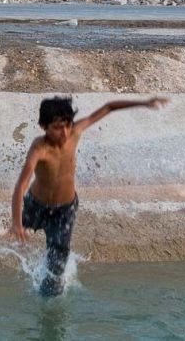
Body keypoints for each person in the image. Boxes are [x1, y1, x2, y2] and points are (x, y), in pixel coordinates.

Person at [9, 95, 169, 297]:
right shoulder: (39, 148)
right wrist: (16, 222)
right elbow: (21, 184)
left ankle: (47, 300)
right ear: (44, 126)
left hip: (64, 210)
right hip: (37, 205)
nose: (64, 132)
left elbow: (108, 107)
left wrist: (144, 103)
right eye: (57, 128)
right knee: (13, 234)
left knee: (57, 264)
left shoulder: (75, 132)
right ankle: (15, 230)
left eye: (67, 125)